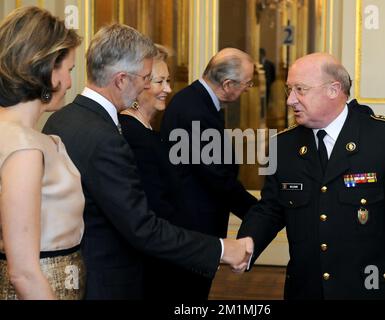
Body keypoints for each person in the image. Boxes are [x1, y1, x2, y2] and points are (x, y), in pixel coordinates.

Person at [43, 24, 252, 300]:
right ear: (120, 80)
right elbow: (141, 227)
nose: (146, 85)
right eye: (144, 77)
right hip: (109, 281)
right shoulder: (106, 137)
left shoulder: (62, 119)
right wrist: (223, 249)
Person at [237, 52, 385, 300]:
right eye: (289, 90)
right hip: (306, 291)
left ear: (334, 90)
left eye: (300, 89)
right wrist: (246, 244)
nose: (290, 100)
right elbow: (270, 209)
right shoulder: (282, 146)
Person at [160, 48, 259, 299]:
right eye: (247, 83)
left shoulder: (195, 101)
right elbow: (215, 176)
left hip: (193, 220)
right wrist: (257, 211)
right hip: (193, 224)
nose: (249, 89)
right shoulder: (196, 111)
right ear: (227, 84)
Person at [0, 6, 84, 300]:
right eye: (69, 70)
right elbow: (23, 272)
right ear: (48, 68)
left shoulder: (20, 137)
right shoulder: (24, 147)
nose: (71, 83)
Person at [118, 45, 190, 300]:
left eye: (168, 81)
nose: (168, 89)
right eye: (159, 81)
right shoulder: (131, 134)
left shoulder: (148, 132)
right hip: (151, 263)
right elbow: (151, 207)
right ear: (139, 84)